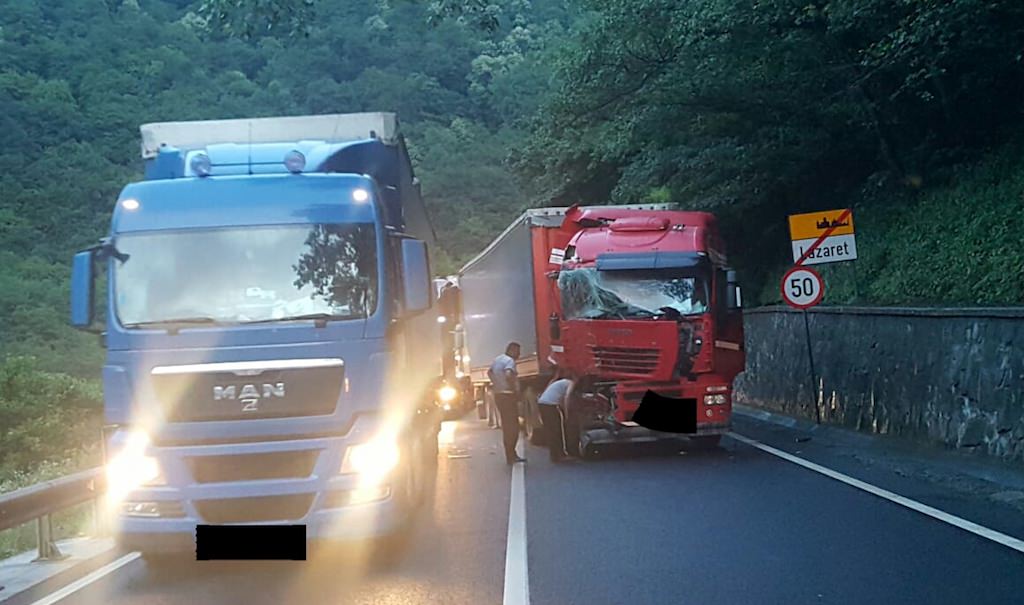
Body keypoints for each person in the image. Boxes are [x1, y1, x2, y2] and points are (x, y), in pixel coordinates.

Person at [488, 342, 525, 465]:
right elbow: (509, 374)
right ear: (512, 350)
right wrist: (513, 388)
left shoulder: (497, 359)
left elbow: (489, 372)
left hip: (499, 395)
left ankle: (510, 454)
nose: (519, 355)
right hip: (508, 395)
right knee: (513, 426)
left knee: (506, 425)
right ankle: (512, 454)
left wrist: (496, 383)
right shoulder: (510, 361)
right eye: (518, 352)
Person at [537, 365, 576, 463]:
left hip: (542, 403)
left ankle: (555, 456)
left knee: (551, 431)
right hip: (550, 406)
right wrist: (567, 414)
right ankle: (560, 455)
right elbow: (567, 397)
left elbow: (560, 398)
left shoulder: (559, 382)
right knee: (557, 430)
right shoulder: (570, 383)